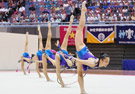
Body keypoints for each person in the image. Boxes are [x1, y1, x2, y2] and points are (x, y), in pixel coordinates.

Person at [63, 1, 110, 94]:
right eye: (106, 61)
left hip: (83, 53)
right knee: (80, 28)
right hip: (81, 48)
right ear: (101, 60)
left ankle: (82, 91)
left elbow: (90, 56)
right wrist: (73, 58)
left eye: (107, 61)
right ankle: (83, 10)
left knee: (80, 73)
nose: (107, 63)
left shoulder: (97, 62)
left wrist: (77, 57)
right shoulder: (93, 63)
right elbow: (81, 61)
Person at [44, 15, 74, 87]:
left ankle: (62, 84)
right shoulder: (68, 59)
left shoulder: (65, 61)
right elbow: (67, 34)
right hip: (62, 53)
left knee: (57, 70)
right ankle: (62, 84)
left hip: (59, 54)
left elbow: (54, 61)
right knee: (66, 36)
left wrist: (48, 57)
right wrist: (70, 22)